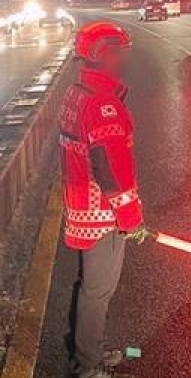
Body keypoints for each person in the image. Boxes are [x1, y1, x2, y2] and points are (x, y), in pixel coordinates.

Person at [59, 21, 147, 378]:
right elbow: (110, 170)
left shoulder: (77, 91)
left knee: (90, 286)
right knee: (98, 292)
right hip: (102, 214)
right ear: (103, 53)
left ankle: (88, 350)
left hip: (80, 207)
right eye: (121, 52)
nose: (126, 58)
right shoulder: (101, 104)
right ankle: (89, 366)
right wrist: (131, 219)